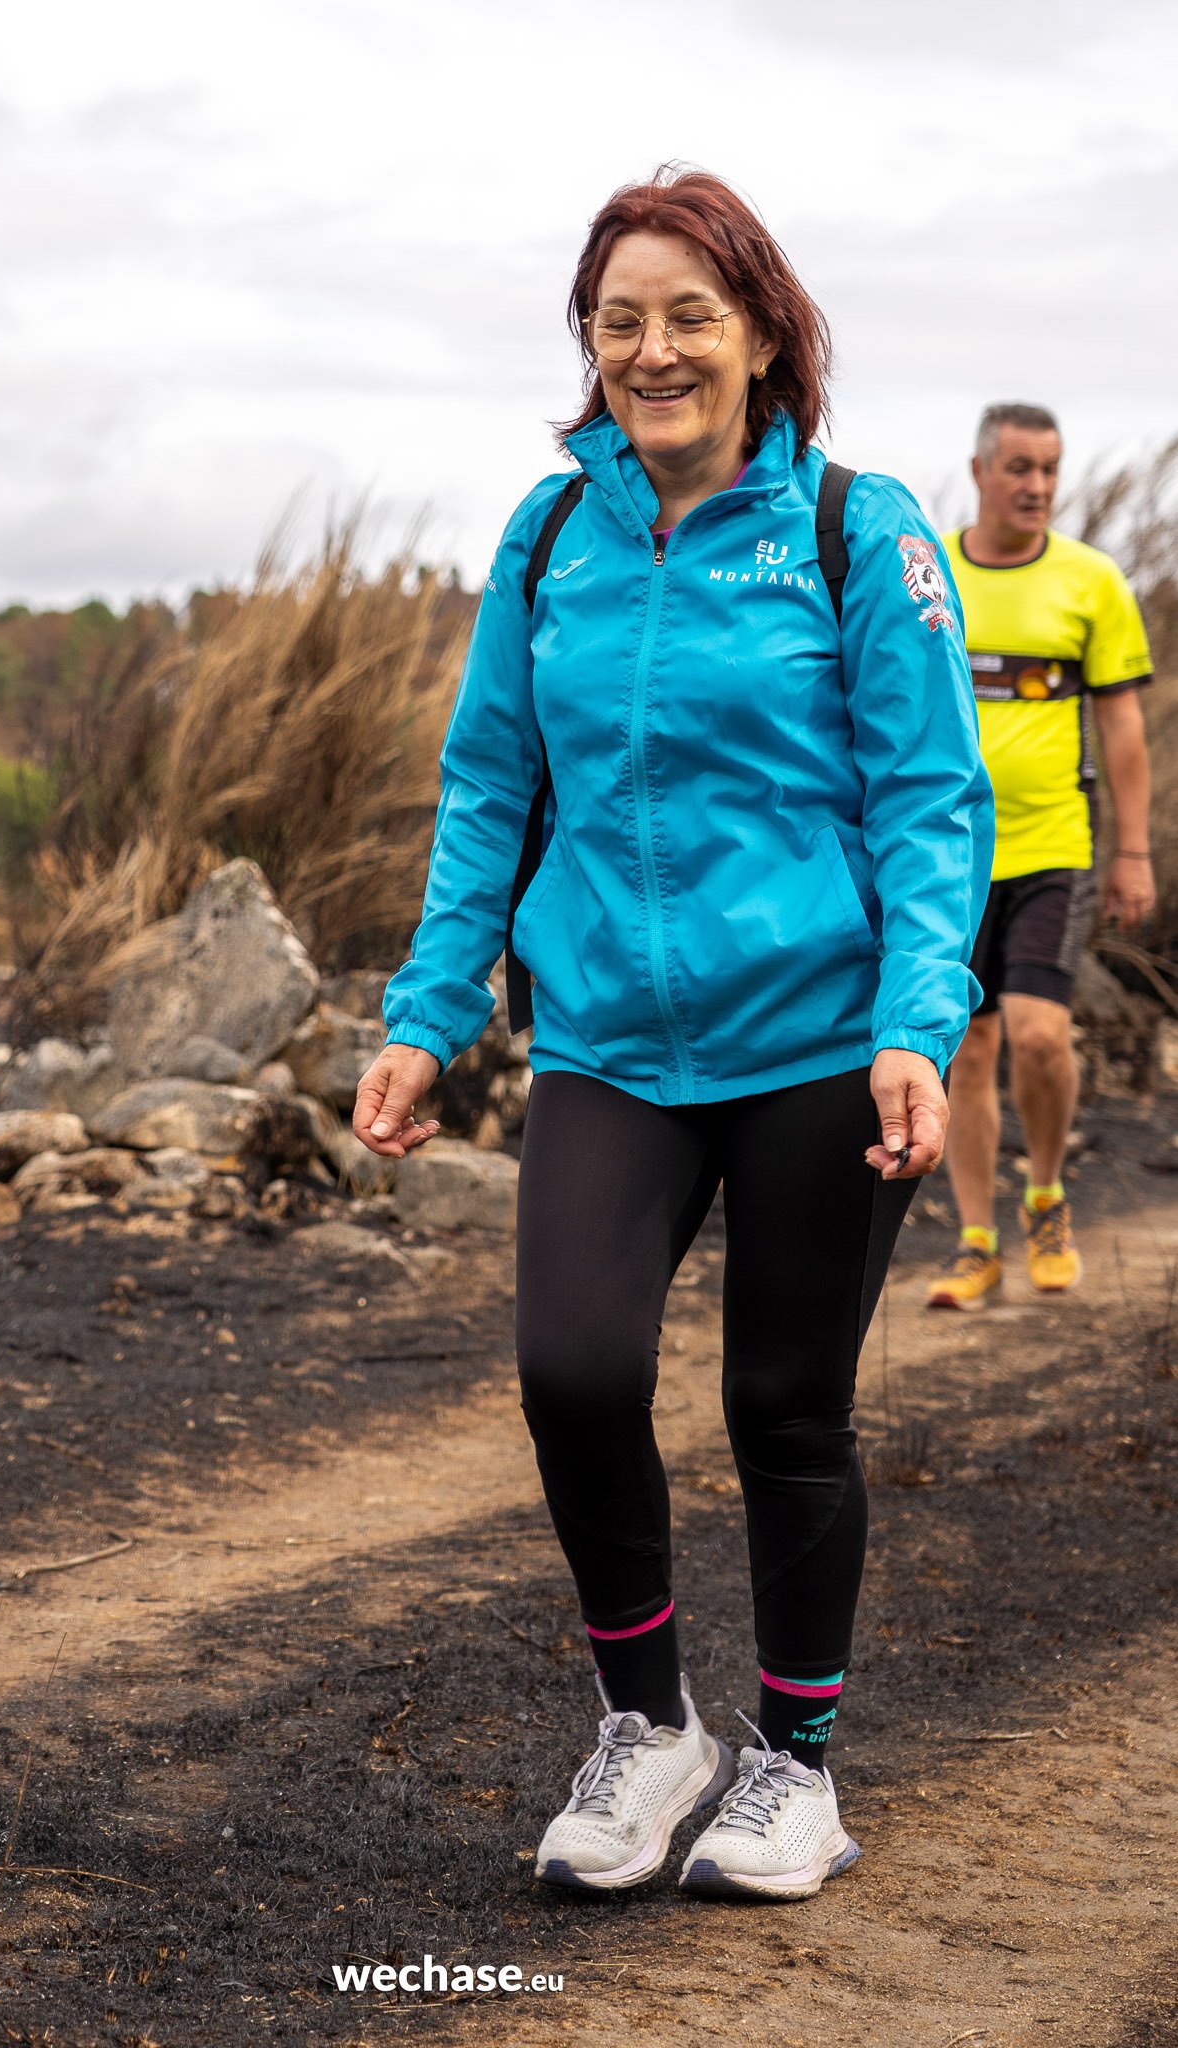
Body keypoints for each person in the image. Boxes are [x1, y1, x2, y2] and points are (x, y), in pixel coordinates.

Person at [353, 168, 993, 1903]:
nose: (651, 349)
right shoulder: (549, 534)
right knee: (573, 1371)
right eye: (618, 318)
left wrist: (912, 1027)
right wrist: (427, 1015)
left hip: (816, 1041)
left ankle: (793, 1762)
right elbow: (491, 782)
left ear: (764, 333)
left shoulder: (860, 534)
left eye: (688, 315)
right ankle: (652, 1729)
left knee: (785, 1402)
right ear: (588, 342)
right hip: (611, 1044)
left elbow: (934, 801)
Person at [926, 403, 1155, 1310]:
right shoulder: (926, 567)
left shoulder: (1093, 581)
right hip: (943, 854)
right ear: (979, 471)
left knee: (1036, 1035)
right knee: (965, 1055)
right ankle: (976, 1242)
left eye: (1049, 470)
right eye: (1018, 467)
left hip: (1055, 845)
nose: (1036, 486)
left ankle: (1047, 1197)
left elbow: (1124, 729)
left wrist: (1131, 852)